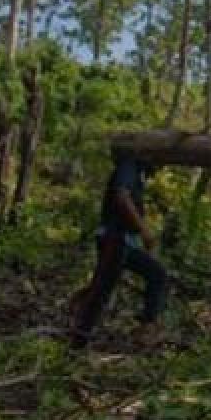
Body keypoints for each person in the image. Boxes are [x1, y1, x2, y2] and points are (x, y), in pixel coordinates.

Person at [70, 149, 168, 349]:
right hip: (114, 239)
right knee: (102, 291)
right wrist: (144, 231)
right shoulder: (128, 166)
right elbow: (122, 197)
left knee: (157, 275)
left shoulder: (137, 172)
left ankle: (147, 327)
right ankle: (77, 340)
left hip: (126, 243)